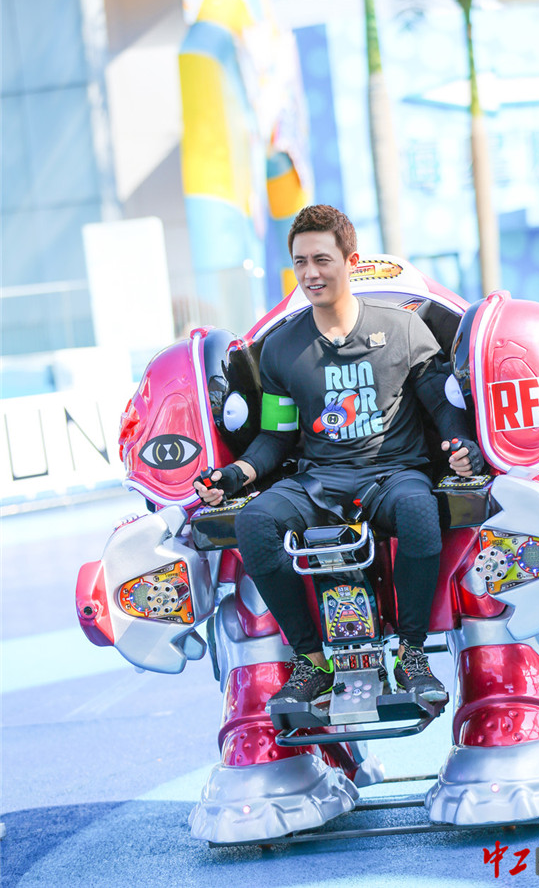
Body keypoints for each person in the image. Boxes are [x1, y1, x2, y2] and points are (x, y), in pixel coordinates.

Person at [194, 205, 484, 709]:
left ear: (350, 261)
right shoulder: (281, 349)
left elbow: (444, 407)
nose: (310, 273)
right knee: (255, 522)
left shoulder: (404, 329)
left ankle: (412, 655)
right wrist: (233, 476)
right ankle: (313, 662)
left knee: (420, 510)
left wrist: (465, 451)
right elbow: (276, 437)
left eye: (322, 260)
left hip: (393, 475)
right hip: (319, 482)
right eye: (300, 262)